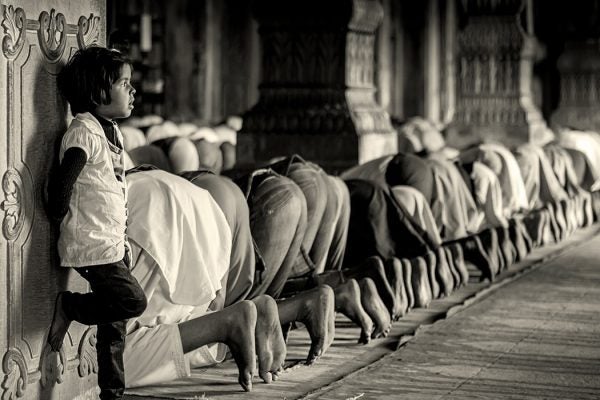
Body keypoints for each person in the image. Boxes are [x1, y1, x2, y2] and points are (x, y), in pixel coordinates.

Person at [45, 47, 147, 400]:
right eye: (124, 83)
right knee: (134, 301)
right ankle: (70, 307)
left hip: (110, 242)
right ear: (97, 92)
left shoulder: (110, 131)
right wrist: (62, 216)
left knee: (114, 327)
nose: (133, 91)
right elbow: (59, 190)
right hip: (92, 243)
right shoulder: (84, 132)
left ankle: (112, 393)